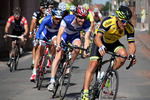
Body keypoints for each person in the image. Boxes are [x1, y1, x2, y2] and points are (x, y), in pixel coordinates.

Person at [82, 5, 137, 100]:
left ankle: (108, 74)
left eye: (127, 22)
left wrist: (132, 55)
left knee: (123, 55)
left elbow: (131, 44)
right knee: (93, 64)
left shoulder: (129, 28)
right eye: (123, 21)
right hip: (100, 41)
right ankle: (85, 92)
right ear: (117, 18)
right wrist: (101, 46)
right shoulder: (108, 22)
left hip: (113, 43)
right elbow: (97, 37)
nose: (125, 24)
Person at [47, 6, 91, 91]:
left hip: (74, 36)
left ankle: (69, 64)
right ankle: (52, 81)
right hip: (65, 35)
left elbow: (86, 39)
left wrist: (86, 50)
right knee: (58, 55)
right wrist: (59, 45)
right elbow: (59, 33)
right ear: (76, 16)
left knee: (77, 47)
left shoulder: (87, 24)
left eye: (84, 18)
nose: (82, 20)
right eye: (80, 18)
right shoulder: (67, 19)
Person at [30, 8, 63, 82]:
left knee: (55, 43)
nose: (58, 20)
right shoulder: (46, 19)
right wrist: (37, 39)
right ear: (52, 16)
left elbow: (62, 34)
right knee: (40, 49)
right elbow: (39, 31)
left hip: (54, 35)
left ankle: (50, 57)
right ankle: (34, 72)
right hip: (45, 34)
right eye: (56, 18)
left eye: (59, 18)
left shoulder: (61, 22)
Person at [29, 0, 48, 69]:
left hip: (46, 30)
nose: (44, 9)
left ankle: (46, 59)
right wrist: (31, 32)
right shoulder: (36, 13)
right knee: (35, 45)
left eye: (46, 8)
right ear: (40, 7)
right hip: (37, 29)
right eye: (43, 8)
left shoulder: (48, 13)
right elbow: (33, 23)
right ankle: (34, 61)